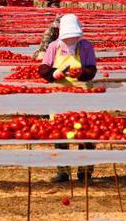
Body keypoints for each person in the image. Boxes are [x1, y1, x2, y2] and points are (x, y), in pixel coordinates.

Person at [37, 14, 98, 183]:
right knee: (60, 132)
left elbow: (92, 69)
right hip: (59, 94)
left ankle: (85, 173)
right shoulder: (53, 46)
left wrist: (81, 73)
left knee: (85, 132)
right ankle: (63, 171)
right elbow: (43, 69)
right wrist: (53, 74)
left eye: (74, 37)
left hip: (82, 93)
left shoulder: (86, 46)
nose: (71, 40)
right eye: (68, 37)